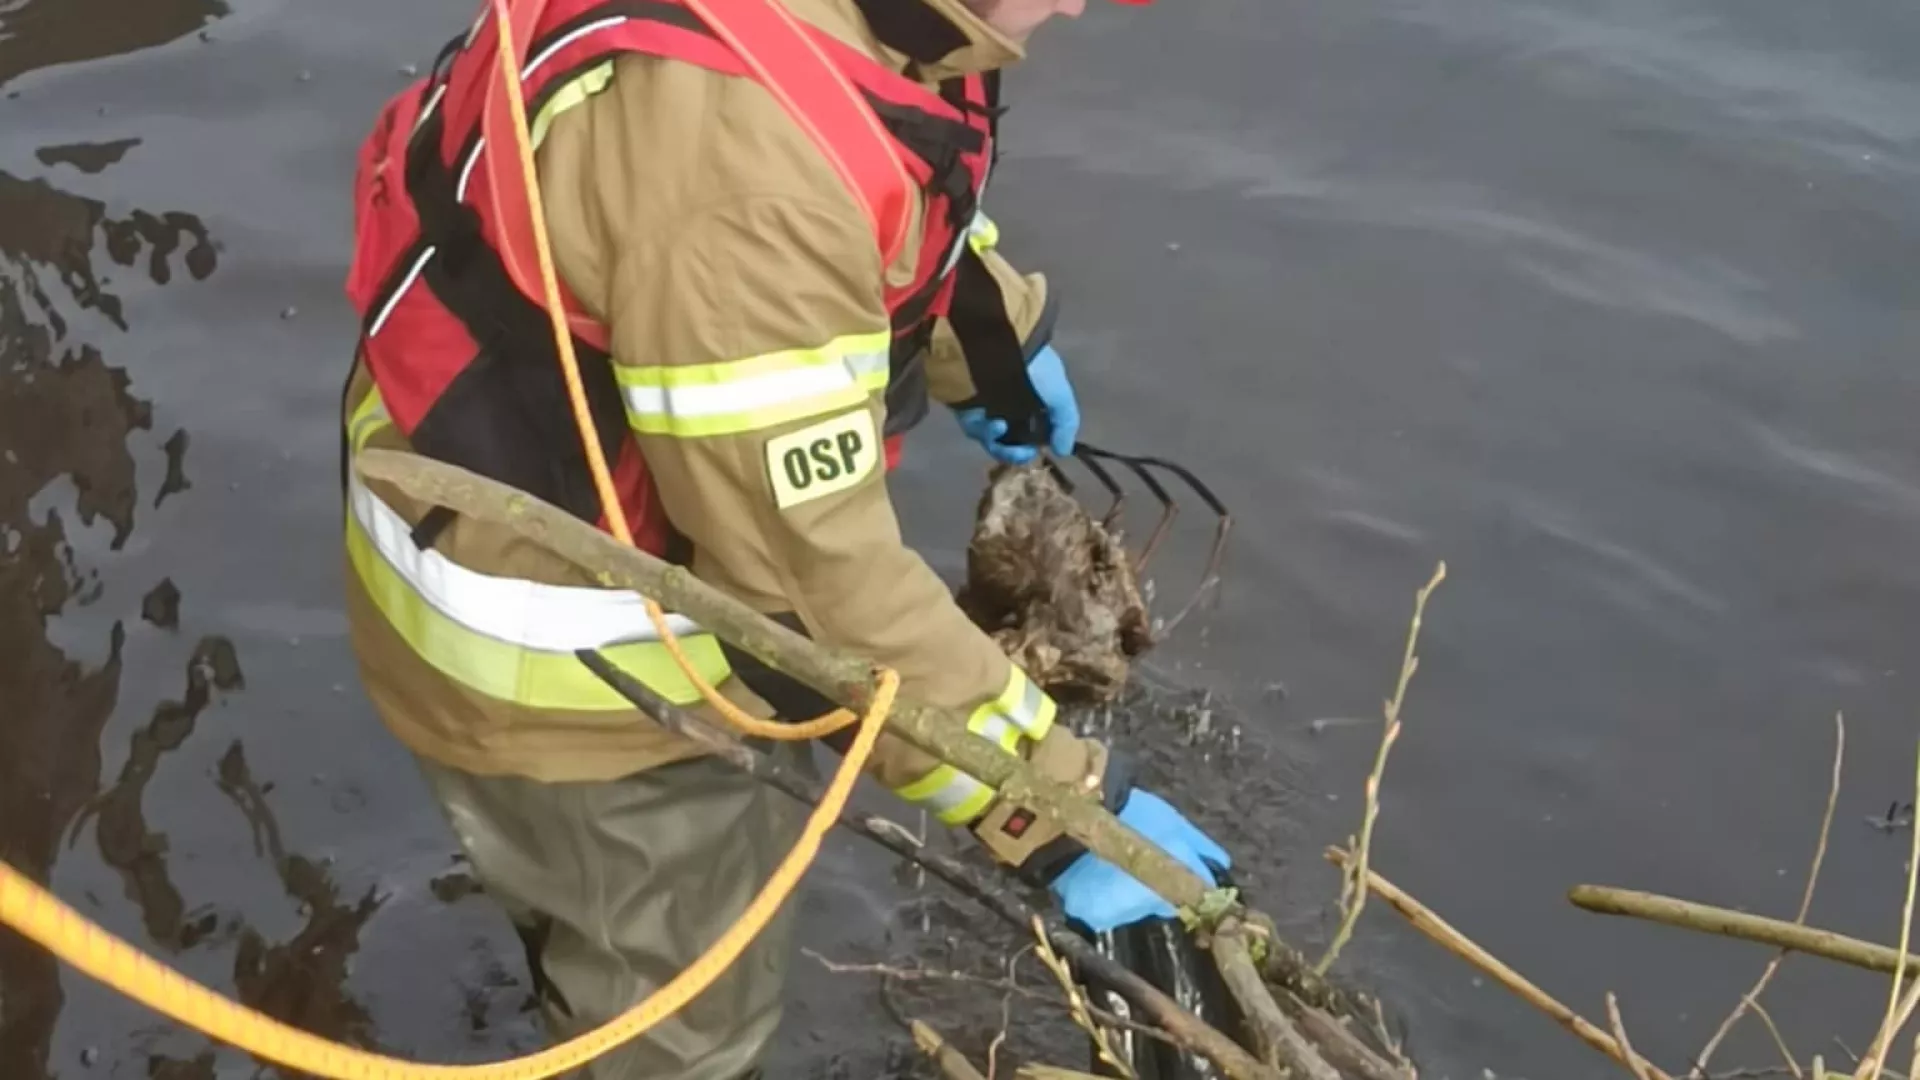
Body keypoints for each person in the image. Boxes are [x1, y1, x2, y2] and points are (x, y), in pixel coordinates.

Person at [337, 0, 1228, 1075]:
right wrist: (1064, 812)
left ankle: (556, 932)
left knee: (578, 928)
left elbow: (861, 141)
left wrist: (984, 326)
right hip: (584, 687)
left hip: (477, 517)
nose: (1079, 6)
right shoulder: (748, 178)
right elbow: (811, 596)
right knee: (678, 1045)